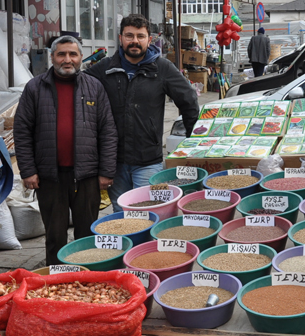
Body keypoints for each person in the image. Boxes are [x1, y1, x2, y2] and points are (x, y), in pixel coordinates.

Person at [14, 35, 118, 265]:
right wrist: (28, 171)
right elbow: (22, 132)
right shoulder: (35, 88)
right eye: (61, 54)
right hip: (49, 177)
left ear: (81, 57)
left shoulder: (94, 87)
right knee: (54, 236)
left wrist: (106, 171)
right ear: (52, 57)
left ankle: (86, 278)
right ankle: (57, 281)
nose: (67, 59)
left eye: (73, 54)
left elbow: (108, 131)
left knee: (87, 234)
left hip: (87, 176)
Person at [85, 14, 199, 212]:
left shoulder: (162, 68)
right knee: (122, 215)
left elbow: (188, 100)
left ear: (149, 39)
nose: (135, 41)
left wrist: (193, 143)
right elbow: (78, 92)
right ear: (120, 38)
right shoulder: (104, 69)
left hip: (148, 160)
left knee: (148, 213)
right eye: (129, 36)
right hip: (115, 161)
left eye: (140, 36)